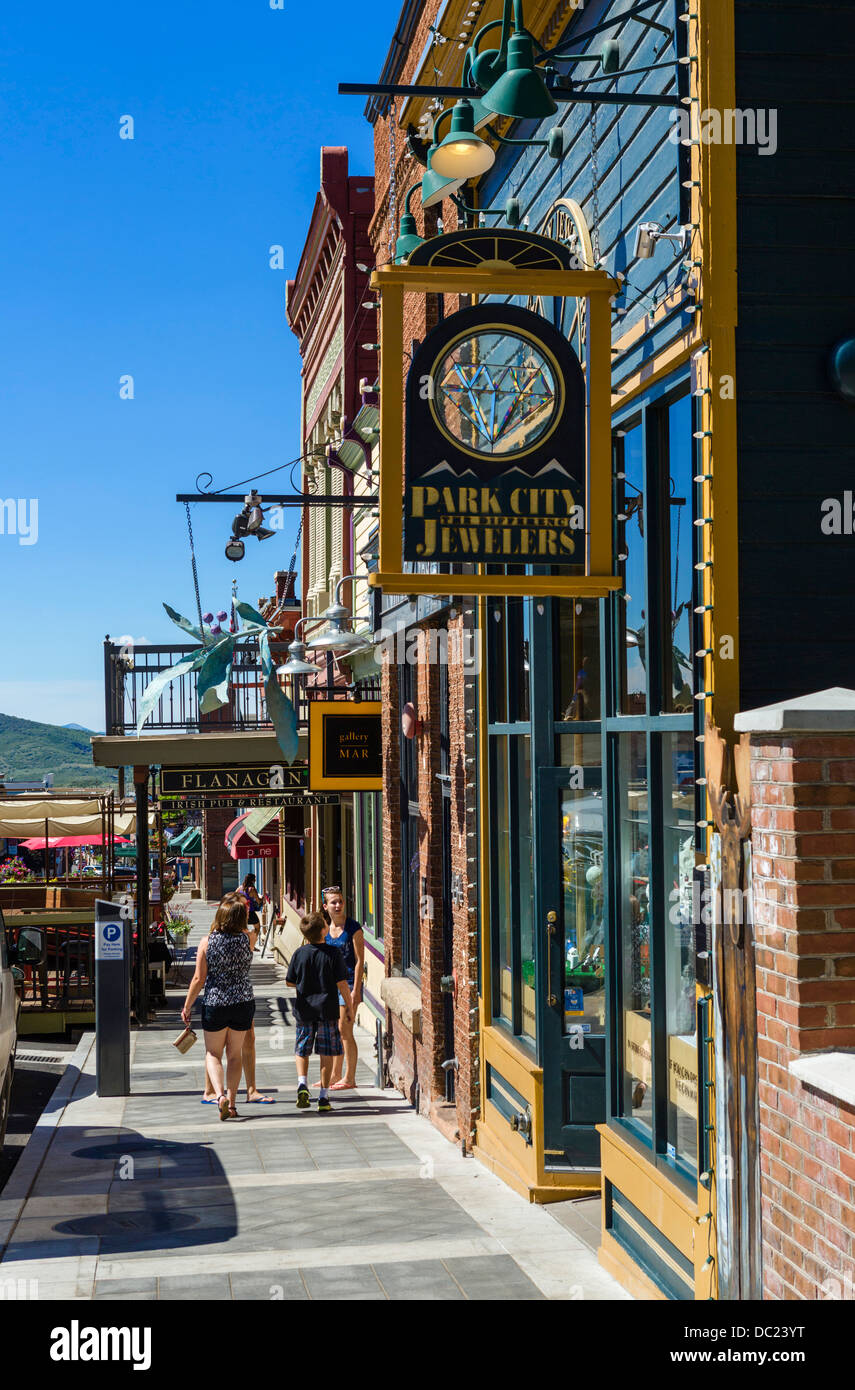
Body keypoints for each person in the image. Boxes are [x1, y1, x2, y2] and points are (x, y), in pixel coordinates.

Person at [183, 893, 257, 1120]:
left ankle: (220, 1096)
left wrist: (187, 1006)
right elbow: (252, 928)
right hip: (243, 1002)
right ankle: (233, 1104)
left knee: (213, 1053)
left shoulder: (207, 942)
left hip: (215, 1003)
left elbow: (199, 978)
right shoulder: (249, 938)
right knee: (234, 1055)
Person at [285, 911, 352, 1114]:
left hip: (304, 1011)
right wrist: (348, 1007)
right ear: (324, 930)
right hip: (328, 1011)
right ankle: (323, 1096)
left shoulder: (299, 953)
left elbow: (289, 981)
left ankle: (302, 1083)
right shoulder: (333, 954)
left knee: (302, 1049)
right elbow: (342, 984)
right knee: (326, 1052)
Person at [319, 886, 365, 1091]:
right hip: (330, 989)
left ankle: (350, 1077)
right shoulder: (325, 930)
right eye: (333, 902)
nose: (337, 905)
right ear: (325, 906)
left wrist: (355, 990)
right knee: (335, 1033)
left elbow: (359, 961)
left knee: (344, 1031)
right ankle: (335, 1075)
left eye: (340, 901)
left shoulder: (353, 929)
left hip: (347, 986)